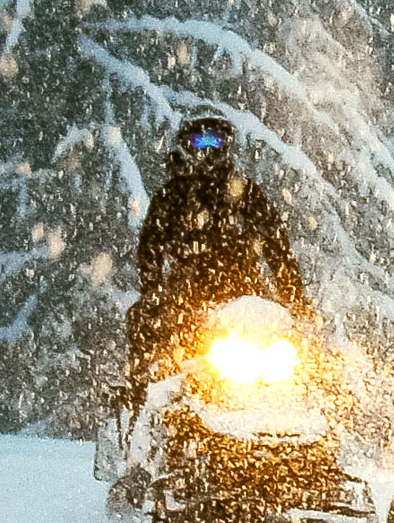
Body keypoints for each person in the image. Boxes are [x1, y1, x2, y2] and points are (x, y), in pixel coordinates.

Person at [124, 117, 312, 386]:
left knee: (295, 343)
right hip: (187, 293)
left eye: (216, 142)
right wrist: (154, 291)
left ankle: (317, 396)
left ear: (227, 147)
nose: (208, 151)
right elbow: (149, 248)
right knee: (145, 324)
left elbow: (277, 245)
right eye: (199, 143)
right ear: (187, 147)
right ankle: (146, 393)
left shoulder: (245, 192)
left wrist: (294, 298)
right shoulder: (172, 195)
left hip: (245, 291)